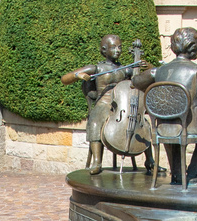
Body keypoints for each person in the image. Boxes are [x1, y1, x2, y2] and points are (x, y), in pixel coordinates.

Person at [135, 27, 197, 186]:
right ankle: (195, 174)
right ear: (192, 47)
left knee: (171, 129)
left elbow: (136, 82)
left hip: (163, 125)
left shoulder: (157, 72)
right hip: (191, 125)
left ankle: (177, 174)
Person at [61, 35, 147, 175]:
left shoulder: (126, 69)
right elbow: (65, 79)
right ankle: (97, 162)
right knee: (95, 121)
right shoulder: (97, 68)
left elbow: (143, 78)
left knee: (139, 122)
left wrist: (145, 65)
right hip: (104, 102)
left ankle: (149, 160)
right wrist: (78, 75)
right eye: (113, 47)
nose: (117, 50)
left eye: (119, 47)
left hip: (121, 104)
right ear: (104, 50)